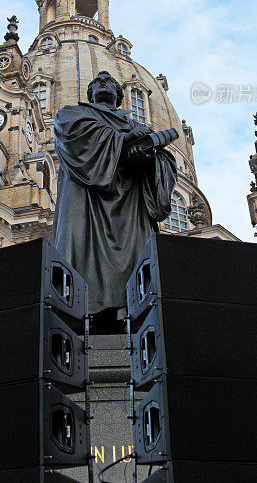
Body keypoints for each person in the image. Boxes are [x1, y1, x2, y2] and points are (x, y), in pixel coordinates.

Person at [53, 71, 177, 328]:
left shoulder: (138, 126)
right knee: (80, 255)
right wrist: (124, 140)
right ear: (89, 93)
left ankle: (130, 313)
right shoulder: (73, 114)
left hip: (129, 204)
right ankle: (82, 313)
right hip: (85, 199)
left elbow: (163, 162)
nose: (102, 83)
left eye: (109, 81)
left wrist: (148, 158)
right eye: (97, 81)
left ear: (120, 95)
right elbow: (73, 137)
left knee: (136, 263)